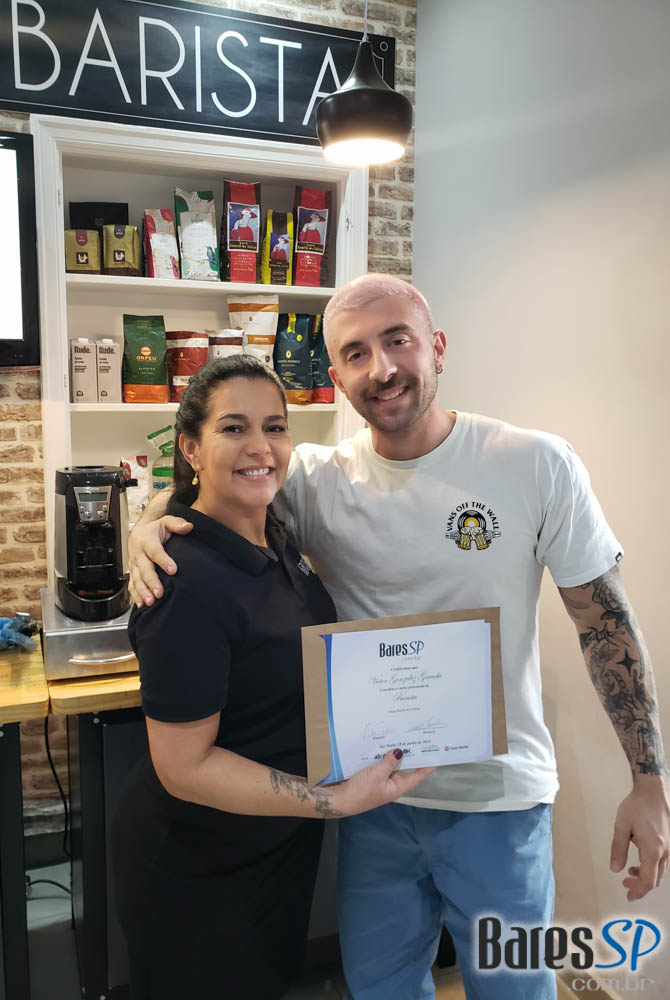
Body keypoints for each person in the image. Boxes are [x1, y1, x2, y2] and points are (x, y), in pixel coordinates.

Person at [127, 276, 670, 1000]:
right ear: (336, 377)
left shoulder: (535, 464)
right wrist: (146, 526)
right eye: (356, 353)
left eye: (397, 340)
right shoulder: (315, 479)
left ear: (436, 347)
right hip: (373, 803)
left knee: (514, 989)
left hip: (497, 804)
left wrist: (649, 781)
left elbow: (603, 621)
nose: (381, 368)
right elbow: (218, 487)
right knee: (380, 988)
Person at [111, 353, 433, 1000]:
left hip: (274, 848)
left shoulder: (277, 538)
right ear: (191, 448)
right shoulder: (184, 582)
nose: (260, 446)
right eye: (233, 428)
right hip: (199, 865)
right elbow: (184, 767)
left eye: (275, 427)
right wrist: (335, 800)